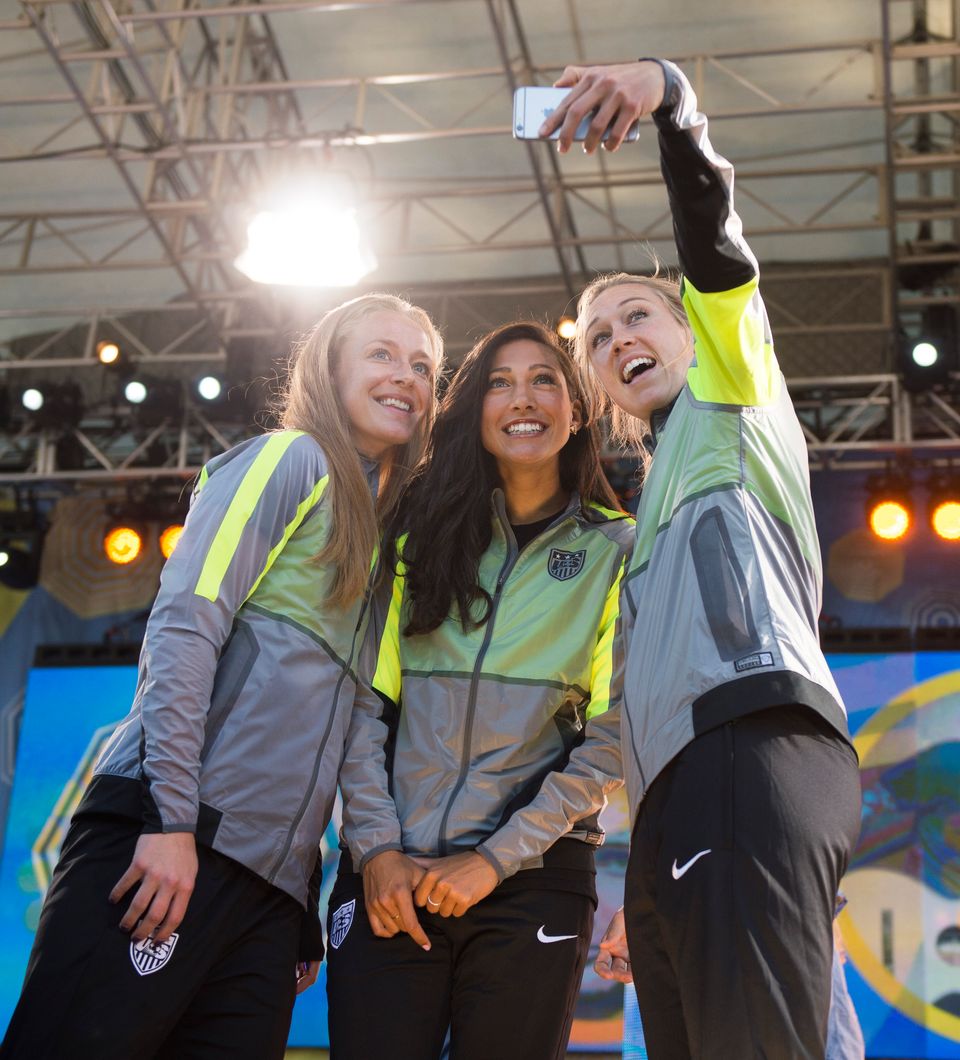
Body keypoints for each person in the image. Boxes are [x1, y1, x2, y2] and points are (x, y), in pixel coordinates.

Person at [0, 293, 443, 1060]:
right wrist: (170, 822)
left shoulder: (384, 545)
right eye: (381, 354)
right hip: (169, 840)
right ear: (329, 366)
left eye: (423, 366)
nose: (405, 376)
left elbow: (344, 732)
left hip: (269, 899)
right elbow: (183, 628)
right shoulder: (289, 459)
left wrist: (299, 895)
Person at [541, 59, 863, 1058]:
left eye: (638, 313)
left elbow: (714, 248)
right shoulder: (640, 535)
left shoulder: (733, 394)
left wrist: (673, 101)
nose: (617, 336)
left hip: (750, 748)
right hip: (683, 800)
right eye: (598, 335)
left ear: (692, 330)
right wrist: (646, 868)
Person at [328, 321, 634, 1060]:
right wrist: (376, 853)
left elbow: (613, 738)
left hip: (534, 880)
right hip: (390, 876)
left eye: (544, 380)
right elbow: (362, 710)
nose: (521, 398)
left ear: (579, 409)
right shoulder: (412, 540)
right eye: (499, 381)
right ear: (474, 407)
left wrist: (494, 859)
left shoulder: (619, 550)